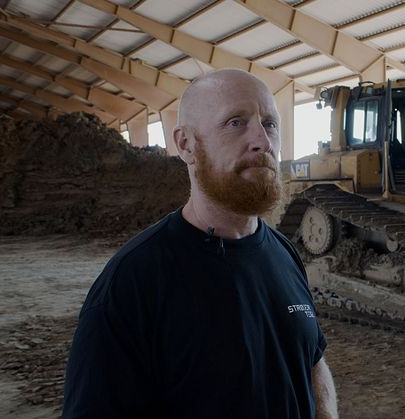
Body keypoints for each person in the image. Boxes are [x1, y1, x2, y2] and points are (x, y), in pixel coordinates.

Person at [62, 69, 338, 419]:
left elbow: (312, 360)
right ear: (186, 145)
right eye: (236, 123)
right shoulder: (133, 284)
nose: (263, 142)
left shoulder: (283, 254)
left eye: (269, 124)